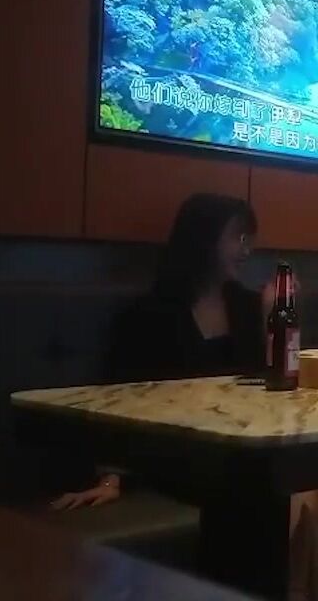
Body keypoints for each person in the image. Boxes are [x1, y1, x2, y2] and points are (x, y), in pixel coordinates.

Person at [51, 193, 264, 511]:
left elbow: (267, 390)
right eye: (237, 238)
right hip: (174, 455)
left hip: (239, 449)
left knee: (302, 490)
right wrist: (112, 478)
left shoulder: (248, 306)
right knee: (283, 494)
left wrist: (275, 322)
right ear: (204, 239)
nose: (246, 250)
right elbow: (119, 398)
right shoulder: (151, 314)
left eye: (248, 240)